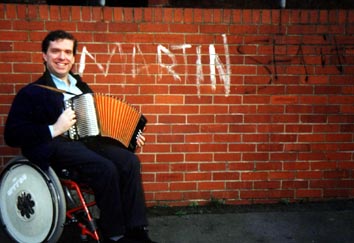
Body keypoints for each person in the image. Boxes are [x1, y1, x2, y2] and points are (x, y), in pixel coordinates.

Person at [4, 30, 156, 243]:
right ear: (44, 56)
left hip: (89, 145)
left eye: (67, 52)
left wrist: (128, 138)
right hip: (56, 147)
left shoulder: (81, 88)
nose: (62, 57)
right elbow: (12, 135)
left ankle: (137, 231)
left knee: (129, 161)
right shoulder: (31, 93)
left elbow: (99, 128)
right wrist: (54, 128)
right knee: (106, 168)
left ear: (74, 58)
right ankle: (115, 234)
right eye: (55, 51)